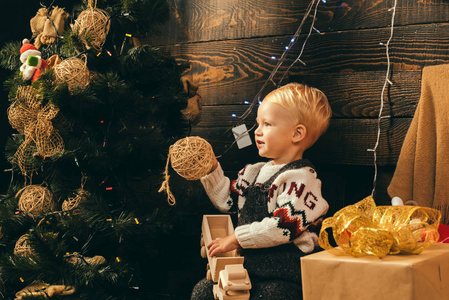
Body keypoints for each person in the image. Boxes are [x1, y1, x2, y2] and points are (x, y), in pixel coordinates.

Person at [191, 83, 332, 299]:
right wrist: (211, 170)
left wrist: (236, 238)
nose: (257, 131)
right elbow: (228, 201)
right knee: (204, 291)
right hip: (249, 269)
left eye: (267, 124)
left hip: (284, 273)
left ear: (297, 133)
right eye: (258, 123)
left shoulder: (302, 179)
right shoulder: (254, 172)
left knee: (272, 295)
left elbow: (283, 226)